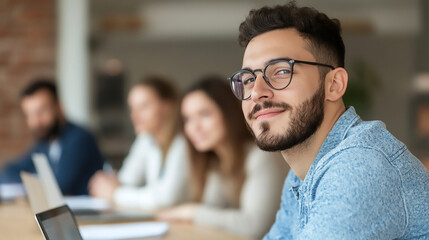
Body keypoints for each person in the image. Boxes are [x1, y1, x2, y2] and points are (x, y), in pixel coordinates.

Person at [227, 2, 429, 239]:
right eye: (248, 78)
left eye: (281, 71)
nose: (258, 91)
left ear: (334, 85)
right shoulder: (301, 174)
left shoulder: (359, 167)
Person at [157, 76, 287, 239]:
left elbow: (254, 226)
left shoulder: (260, 156)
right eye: (187, 119)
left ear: (228, 113)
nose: (194, 127)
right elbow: (213, 209)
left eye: (204, 114)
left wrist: (192, 212)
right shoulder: (214, 160)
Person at [89, 76, 189, 210]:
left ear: (167, 106)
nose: (135, 115)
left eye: (143, 107)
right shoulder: (146, 139)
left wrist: (115, 193)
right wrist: (108, 183)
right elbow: (127, 180)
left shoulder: (183, 141)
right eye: (132, 108)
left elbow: (165, 199)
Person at [0, 79, 104, 195]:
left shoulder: (79, 138)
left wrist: (31, 180)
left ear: (59, 107)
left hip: (84, 211)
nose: (36, 121)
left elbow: (60, 186)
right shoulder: (45, 143)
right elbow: (9, 171)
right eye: (30, 114)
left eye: (42, 111)